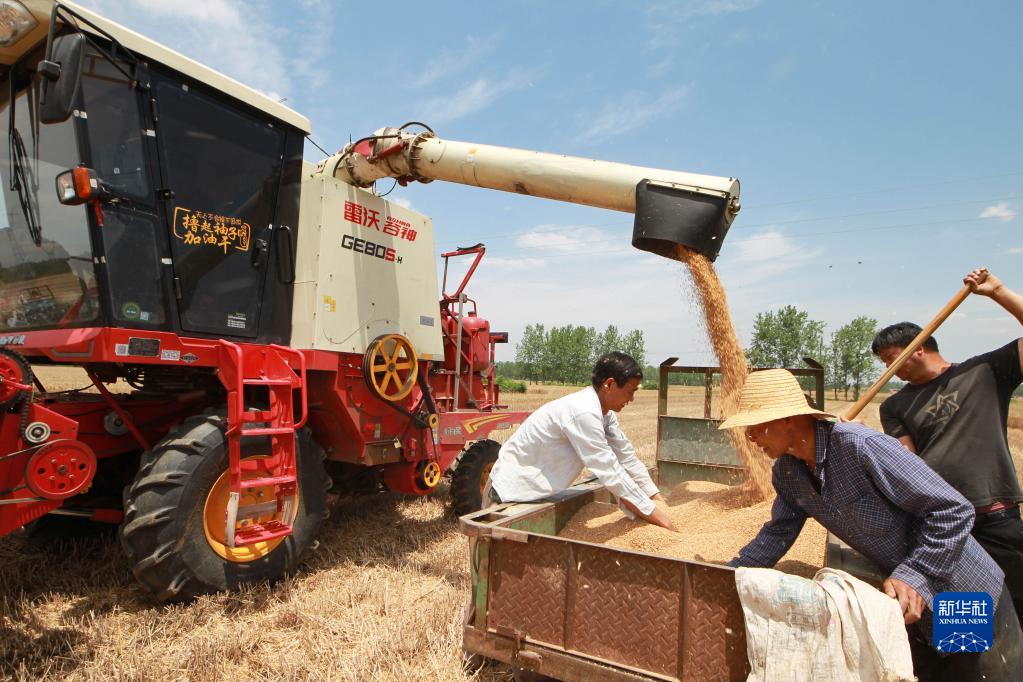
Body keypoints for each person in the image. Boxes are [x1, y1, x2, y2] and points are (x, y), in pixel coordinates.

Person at [721, 368, 1021, 680]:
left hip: (958, 593)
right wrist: (730, 574)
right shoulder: (788, 473)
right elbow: (778, 532)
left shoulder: (859, 447)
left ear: (788, 419)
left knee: (983, 675)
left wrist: (918, 574)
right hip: (908, 610)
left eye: (756, 426)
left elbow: (952, 509)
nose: (750, 437)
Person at [871, 267, 1023, 625]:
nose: (888, 370)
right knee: (965, 617)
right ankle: (973, 673)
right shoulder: (893, 406)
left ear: (920, 347)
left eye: (892, 358)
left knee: (1017, 603)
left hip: (994, 513)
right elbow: (906, 462)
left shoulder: (985, 371)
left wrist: (998, 291)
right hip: (945, 523)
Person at [486, 351, 676, 531]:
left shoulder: (604, 414)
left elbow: (627, 459)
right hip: (509, 496)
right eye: (629, 391)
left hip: (533, 495)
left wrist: (656, 498)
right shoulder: (583, 412)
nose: (632, 399)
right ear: (609, 384)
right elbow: (610, 470)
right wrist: (658, 517)